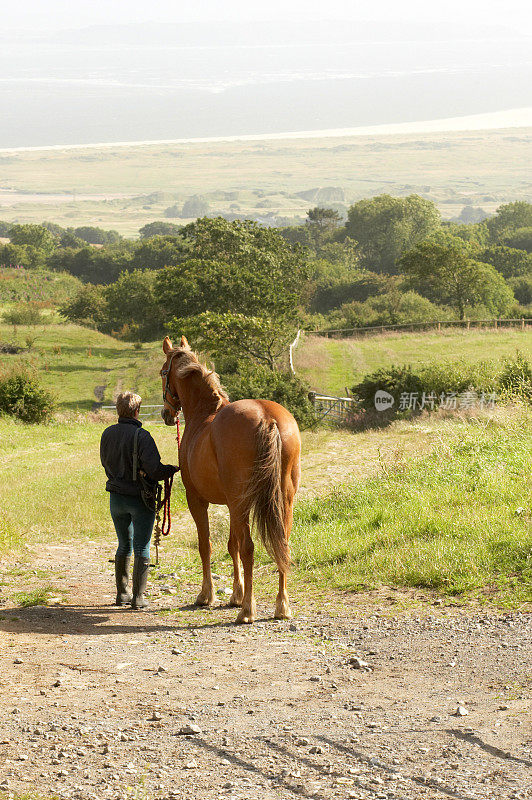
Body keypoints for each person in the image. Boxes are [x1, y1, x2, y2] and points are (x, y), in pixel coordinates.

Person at [100, 391, 178, 610]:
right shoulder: (142, 436)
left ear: (118, 410)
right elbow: (154, 470)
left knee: (123, 544)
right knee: (142, 546)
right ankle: (138, 598)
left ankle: (122, 595)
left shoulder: (107, 433)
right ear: (137, 411)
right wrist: (172, 469)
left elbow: (105, 463)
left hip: (116, 499)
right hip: (139, 500)